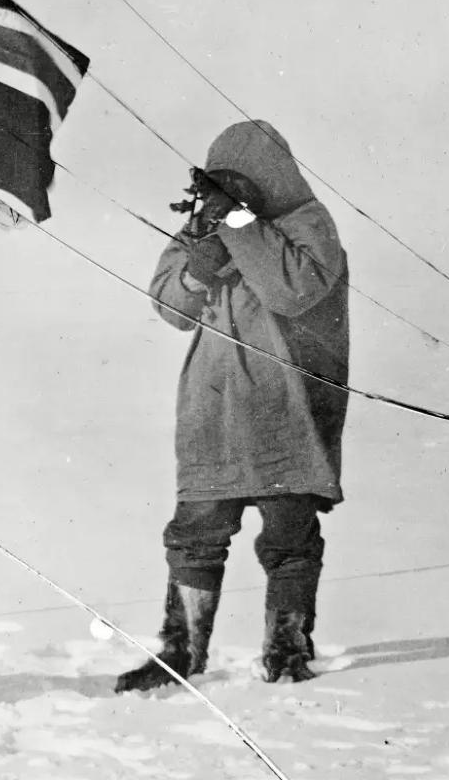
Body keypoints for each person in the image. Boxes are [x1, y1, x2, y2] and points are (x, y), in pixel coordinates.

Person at [115, 120, 350, 693]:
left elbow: (293, 289)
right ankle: (181, 653)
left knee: (290, 534)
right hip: (213, 405)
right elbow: (169, 307)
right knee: (195, 532)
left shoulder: (307, 225)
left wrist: (236, 226)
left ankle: (287, 649)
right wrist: (198, 267)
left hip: (286, 403)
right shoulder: (205, 227)